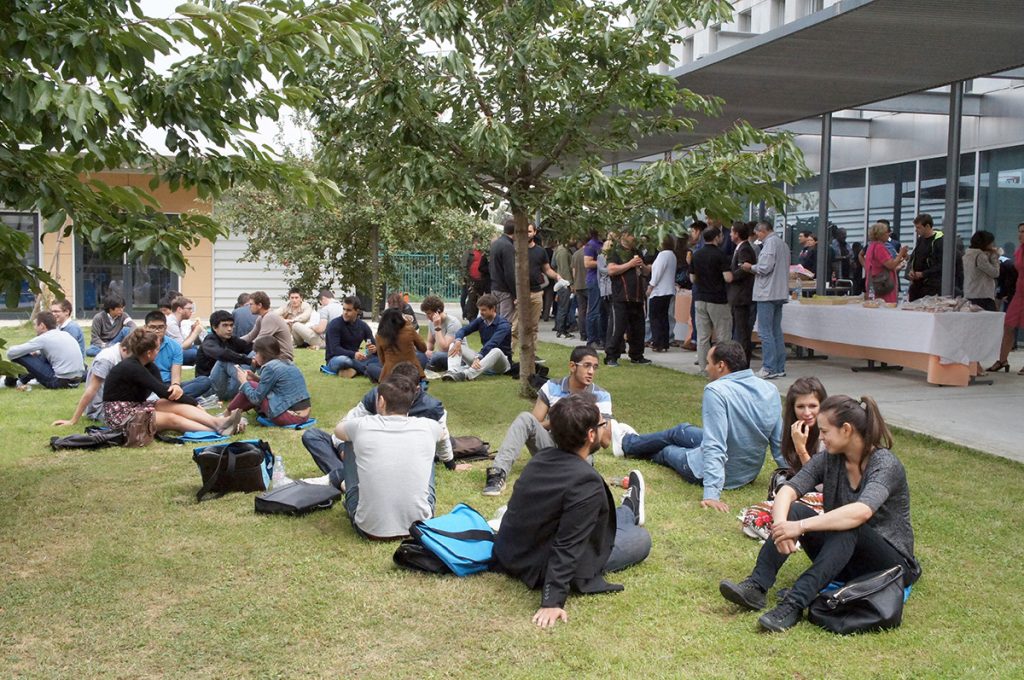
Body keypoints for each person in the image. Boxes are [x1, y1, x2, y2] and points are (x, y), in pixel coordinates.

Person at [719, 394, 922, 633]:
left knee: (849, 525)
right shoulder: (829, 459)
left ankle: (794, 603)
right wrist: (782, 526)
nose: (821, 438)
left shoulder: (885, 464)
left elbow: (859, 513)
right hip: (844, 556)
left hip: (890, 566)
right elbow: (787, 491)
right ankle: (756, 586)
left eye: (825, 432)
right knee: (794, 510)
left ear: (846, 430)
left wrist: (800, 527)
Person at [494, 393, 651, 629]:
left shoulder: (540, 459)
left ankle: (629, 510)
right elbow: (568, 544)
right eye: (601, 424)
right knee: (641, 539)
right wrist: (552, 600)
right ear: (590, 435)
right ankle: (630, 514)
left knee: (611, 518)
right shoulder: (585, 482)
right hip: (540, 562)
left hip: (514, 553)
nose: (604, 428)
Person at [611, 341, 784, 510]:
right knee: (680, 431)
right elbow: (779, 443)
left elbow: (715, 445)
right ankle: (628, 443)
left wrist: (711, 495)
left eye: (708, 363)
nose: (706, 368)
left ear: (721, 365)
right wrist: (795, 477)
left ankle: (629, 445)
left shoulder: (716, 390)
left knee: (667, 450)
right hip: (746, 473)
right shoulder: (770, 389)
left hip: (720, 473)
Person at [302, 362, 462, 488]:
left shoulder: (432, 408)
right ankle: (346, 476)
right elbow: (345, 426)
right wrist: (343, 448)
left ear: (417, 389)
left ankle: (344, 477)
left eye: (404, 388)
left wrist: (451, 464)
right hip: (364, 448)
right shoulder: (378, 396)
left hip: (388, 457)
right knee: (312, 436)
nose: (398, 392)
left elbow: (443, 437)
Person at [482, 346, 613, 496]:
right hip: (551, 445)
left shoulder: (601, 396)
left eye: (595, 367)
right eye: (586, 366)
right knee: (525, 418)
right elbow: (533, 425)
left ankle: (566, 474)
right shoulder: (552, 387)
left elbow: (606, 441)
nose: (591, 372)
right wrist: (560, 419)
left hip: (580, 449)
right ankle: (498, 473)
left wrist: (592, 414)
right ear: (572, 366)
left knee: (575, 471)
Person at [332, 375, 449, 540]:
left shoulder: (361, 425)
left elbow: (338, 431)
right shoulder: (429, 426)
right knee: (425, 447)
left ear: (381, 401)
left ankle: (350, 489)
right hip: (420, 526)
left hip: (369, 528)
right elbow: (443, 435)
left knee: (350, 440)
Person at [102, 328, 245, 439]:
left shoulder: (149, 366)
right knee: (172, 419)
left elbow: (165, 393)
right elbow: (164, 392)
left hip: (137, 406)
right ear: (149, 353)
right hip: (120, 415)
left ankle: (218, 422)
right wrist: (194, 402)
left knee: (174, 406)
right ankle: (218, 430)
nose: (159, 351)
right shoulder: (131, 367)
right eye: (158, 348)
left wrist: (185, 399)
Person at [741, 221, 790, 379]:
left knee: (765, 332)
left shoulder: (770, 244)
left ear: (762, 231)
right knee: (776, 331)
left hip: (767, 293)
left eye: (758, 234)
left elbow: (764, 268)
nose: (758, 238)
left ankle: (769, 367)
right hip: (779, 292)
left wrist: (750, 267)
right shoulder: (783, 244)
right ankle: (779, 366)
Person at [227, 336, 311, 426]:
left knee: (250, 385)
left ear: (263, 354)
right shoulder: (287, 363)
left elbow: (256, 399)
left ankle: (227, 414)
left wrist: (244, 382)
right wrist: (255, 378)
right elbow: (276, 386)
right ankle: (229, 413)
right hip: (303, 416)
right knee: (253, 384)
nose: (255, 356)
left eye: (256, 353)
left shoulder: (270, 367)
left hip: (291, 416)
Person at [511, 223, 565, 362]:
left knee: (533, 327)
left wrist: (557, 276)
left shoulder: (540, 251)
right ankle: (508, 355)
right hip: (519, 293)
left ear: (534, 232)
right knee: (515, 327)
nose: (526, 234)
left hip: (536, 293)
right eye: (524, 231)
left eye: (529, 231)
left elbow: (546, 269)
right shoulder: (515, 248)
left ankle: (532, 355)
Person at [52, 341, 130, 427]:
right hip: (102, 408)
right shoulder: (106, 360)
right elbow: (91, 389)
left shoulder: (119, 355)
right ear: (124, 350)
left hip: (115, 402)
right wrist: (73, 420)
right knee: (136, 419)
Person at [604, 231, 651, 367]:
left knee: (638, 328)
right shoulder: (615, 251)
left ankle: (637, 355)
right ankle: (611, 356)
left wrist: (643, 266)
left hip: (637, 296)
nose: (634, 237)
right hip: (621, 296)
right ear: (624, 236)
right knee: (617, 328)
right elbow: (611, 270)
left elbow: (646, 271)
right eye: (631, 234)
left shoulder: (637, 251)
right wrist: (630, 264)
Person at [690, 226, 734, 372]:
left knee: (703, 336)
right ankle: (723, 367)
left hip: (700, 298)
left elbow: (692, 277)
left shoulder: (696, 254)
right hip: (718, 299)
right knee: (723, 336)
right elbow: (727, 278)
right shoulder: (720, 255)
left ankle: (704, 367)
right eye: (720, 236)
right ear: (716, 238)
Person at [5, 311, 84, 390]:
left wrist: (27, 353)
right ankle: (21, 381)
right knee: (40, 356)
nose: (34, 328)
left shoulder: (44, 338)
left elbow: (10, 353)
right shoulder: (65, 334)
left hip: (59, 381)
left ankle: (10, 383)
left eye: (36, 325)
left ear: (42, 326)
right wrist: (37, 353)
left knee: (19, 355)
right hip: (76, 381)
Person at [443, 294, 513, 382]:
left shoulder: (503, 325)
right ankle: (453, 371)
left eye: (484, 310)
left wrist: (479, 357)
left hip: (501, 364)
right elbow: (463, 330)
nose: (481, 312)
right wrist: (458, 341)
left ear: (493, 309)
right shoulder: (481, 321)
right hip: (483, 360)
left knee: (496, 350)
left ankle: (466, 374)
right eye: (480, 310)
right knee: (454, 344)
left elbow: (493, 343)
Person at [144, 311, 211, 401]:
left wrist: (175, 386)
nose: (157, 331)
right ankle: (175, 400)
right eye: (152, 327)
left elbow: (176, 375)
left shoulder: (174, 346)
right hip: (147, 385)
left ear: (166, 328)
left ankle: (166, 400)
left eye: (160, 327)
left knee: (204, 381)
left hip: (168, 385)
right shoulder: (140, 345)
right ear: (145, 328)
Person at [988, 222, 1024, 374]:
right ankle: (1002, 360)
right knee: (1008, 325)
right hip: (1019, 292)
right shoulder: (1020, 250)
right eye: (1020, 231)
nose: (1020, 234)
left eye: (1023, 232)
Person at [198, 310, 253, 400]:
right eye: (225, 325)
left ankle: (262, 385)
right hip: (212, 389)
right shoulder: (209, 342)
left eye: (231, 325)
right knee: (224, 360)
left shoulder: (232, 339)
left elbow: (251, 348)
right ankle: (251, 386)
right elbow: (222, 354)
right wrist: (247, 360)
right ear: (215, 328)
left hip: (231, 386)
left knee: (255, 353)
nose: (229, 329)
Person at [323, 296, 377, 378]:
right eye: (344, 309)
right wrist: (354, 354)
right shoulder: (334, 324)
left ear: (357, 311)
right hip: (336, 359)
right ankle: (369, 370)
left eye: (349, 310)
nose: (345, 312)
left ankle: (351, 371)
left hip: (356, 359)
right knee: (344, 361)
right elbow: (335, 349)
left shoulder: (363, 326)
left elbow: (372, 343)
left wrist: (374, 349)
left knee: (378, 358)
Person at [729, 222, 758, 363]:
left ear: (737, 234)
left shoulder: (744, 249)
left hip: (742, 295)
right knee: (740, 329)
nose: (730, 235)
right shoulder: (739, 248)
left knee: (742, 330)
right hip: (738, 295)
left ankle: (743, 361)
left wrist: (731, 276)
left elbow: (744, 270)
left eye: (732, 232)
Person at [906, 213, 952, 301]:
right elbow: (915, 258)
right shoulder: (920, 240)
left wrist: (924, 273)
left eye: (918, 228)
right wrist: (912, 270)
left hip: (932, 285)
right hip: (917, 284)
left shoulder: (939, 242)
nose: (916, 230)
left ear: (927, 226)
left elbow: (942, 264)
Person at [374, 307, 427, 382]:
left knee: (371, 368)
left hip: (390, 374)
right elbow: (423, 348)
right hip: (412, 372)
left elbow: (382, 359)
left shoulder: (379, 336)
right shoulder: (409, 330)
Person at [240, 290, 294, 361]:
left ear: (259, 305)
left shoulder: (270, 317)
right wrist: (232, 341)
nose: (249, 307)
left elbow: (259, 342)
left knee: (240, 361)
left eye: (251, 304)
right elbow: (250, 336)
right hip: (269, 355)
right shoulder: (261, 317)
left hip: (282, 358)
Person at [863, 222, 909, 303]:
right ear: (881, 235)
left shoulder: (871, 246)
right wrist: (901, 253)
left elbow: (884, 263)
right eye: (886, 232)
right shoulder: (879, 247)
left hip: (874, 284)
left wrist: (901, 259)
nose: (888, 234)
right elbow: (891, 265)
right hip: (883, 285)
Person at [647, 234, 677, 352]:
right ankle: (665, 342)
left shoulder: (662, 255)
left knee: (655, 317)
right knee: (664, 317)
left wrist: (651, 286)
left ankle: (657, 342)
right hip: (668, 290)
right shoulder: (672, 255)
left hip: (659, 291)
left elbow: (657, 273)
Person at [420, 295, 462, 372]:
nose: (427, 317)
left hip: (455, 356)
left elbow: (444, 348)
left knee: (436, 356)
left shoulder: (453, 323)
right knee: (418, 353)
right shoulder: (431, 322)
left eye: (429, 313)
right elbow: (430, 342)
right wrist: (425, 353)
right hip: (441, 356)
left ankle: (429, 365)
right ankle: (429, 364)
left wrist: (437, 327)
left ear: (438, 312)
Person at [963, 230, 1001, 312]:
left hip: (970, 293)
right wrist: (995, 257)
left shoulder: (967, 254)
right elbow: (995, 273)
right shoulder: (980, 256)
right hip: (982, 295)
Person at [490, 220, 517, 320]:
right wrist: (515, 293)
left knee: (496, 321)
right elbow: (510, 273)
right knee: (505, 323)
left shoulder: (495, 244)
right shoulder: (508, 246)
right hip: (505, 291)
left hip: (495, 287)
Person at [583, 230, 605, 349]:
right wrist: (603, 262)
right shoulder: (591, 245)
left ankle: (599, 338)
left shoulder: (601, 244)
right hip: (594, 280)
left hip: (600, 280)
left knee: (600, 311)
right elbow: (587, 263)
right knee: (594, 311)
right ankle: (592, 340)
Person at [165, 296, 204, 365]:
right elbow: (181, 347)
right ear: (179, 309)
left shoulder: (176, 321)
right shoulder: (171, 323)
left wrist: (192, 331)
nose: (191, 311)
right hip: (167, 356)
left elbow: (184, 344)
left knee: (198, 348)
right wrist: (195, 332)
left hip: (173, 352)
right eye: (189, 308)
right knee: (197, 353)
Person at [552, 236, 575, 338]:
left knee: (563, 307)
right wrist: (570, 283)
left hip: (561, 282)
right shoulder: (563, 252)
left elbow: (553, 265)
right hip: (564, 283)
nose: (574, 240)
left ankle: (561, 328)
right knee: (563, 308)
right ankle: (561, 330)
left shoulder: (560, 250)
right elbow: (565, 269)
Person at [462, 238, 489, 322]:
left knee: (482, 300)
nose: (477, 244)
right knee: (472, 299)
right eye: (476, 243)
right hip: (472, 280)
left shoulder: (484, 253)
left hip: (483, 280)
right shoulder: (468, 253)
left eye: (479, 243)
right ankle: (471, 318)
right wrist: (466, 280)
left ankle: (483, 317)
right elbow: (463, 266)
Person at [571, 236, 589, 343]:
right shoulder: (590, 253)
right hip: (588, 285)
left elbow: (573, 272)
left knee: (581, 311)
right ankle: (589, 332)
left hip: (578, 285)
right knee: (590, 310)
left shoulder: (575, 254)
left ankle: (583, 334)